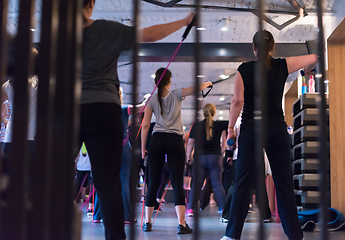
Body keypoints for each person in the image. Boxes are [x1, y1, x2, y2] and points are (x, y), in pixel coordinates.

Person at [82, 1, 195, 239]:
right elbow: (149, 34)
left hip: (69, 109)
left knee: (58, 177)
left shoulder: (58, 34)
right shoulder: (104, 29)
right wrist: (184, 22)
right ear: (91, 4)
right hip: (103, 108)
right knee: (108, 183)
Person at [221, 30, 318, 240]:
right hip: (276, 128)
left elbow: (237, 102)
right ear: (272, 47)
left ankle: (231, 235)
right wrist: (308, 69)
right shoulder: (282, 65)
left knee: (243, 182)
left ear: (254, 49)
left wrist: (230, 130)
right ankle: (295, 235)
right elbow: (315, 57)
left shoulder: (244, 69)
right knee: (283, 183)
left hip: (251, 128)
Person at [141, 68, 212, 233]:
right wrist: (207, 83)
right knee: (177, 182)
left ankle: (147, 222)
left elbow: (145, 126)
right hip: (174, 140)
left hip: (157, 139)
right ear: (169, 81)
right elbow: (196, 88)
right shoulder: (176, 94)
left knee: (153, 182)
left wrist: (143, 148)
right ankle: (181, 224)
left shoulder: (151, 100)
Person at [185, 103, 228, 217]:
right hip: (215, 157)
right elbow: (232, 125)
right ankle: (224, 209)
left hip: (200, 158)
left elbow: (190, 142)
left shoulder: (197, 125)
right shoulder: (219, 125)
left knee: (197, 184)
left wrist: (188, 156)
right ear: (214, 113)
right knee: (217, 184)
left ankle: (190, 210)